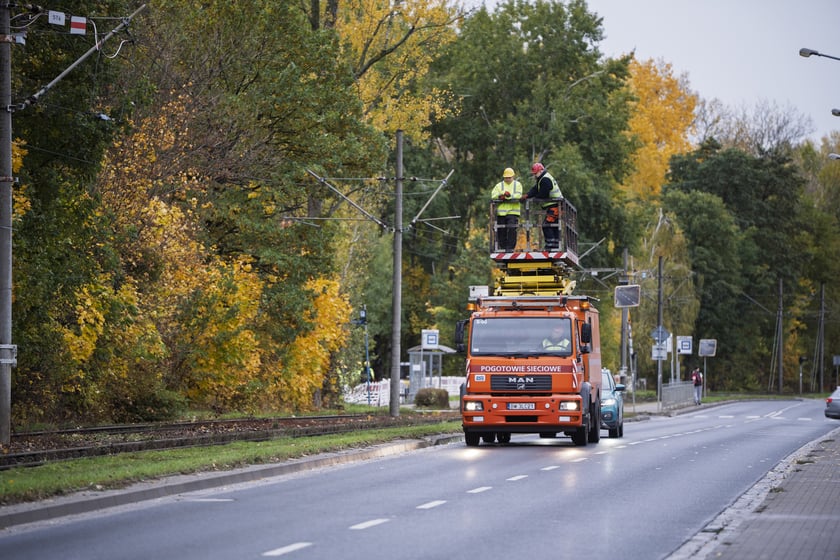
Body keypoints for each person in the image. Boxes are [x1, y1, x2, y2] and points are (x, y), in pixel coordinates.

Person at [521, 162, 563, 250]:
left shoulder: (545, 179)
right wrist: (527, 195)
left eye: (535, 173)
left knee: (547, 225)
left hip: (555, 206)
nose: (534, 175)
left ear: (541, 171)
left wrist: (535, 198)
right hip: (555, 206)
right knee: (553, 226)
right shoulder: (542, 179)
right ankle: (555, 246)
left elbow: (543, 193)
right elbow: (535, 189)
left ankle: (551, 246)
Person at [490, 167, 523, 251]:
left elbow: (518, 195)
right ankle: (503, 248)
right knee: (501, 231)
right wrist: (501, 195)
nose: (507, 179)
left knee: (512, 229)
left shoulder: (517, 185)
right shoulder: (499, 185)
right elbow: (493, 195)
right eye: (506, 177)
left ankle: (510, 248)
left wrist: (508, 196)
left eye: (509, 177)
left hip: (513, 212)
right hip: (501, 213)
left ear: (513, 176)